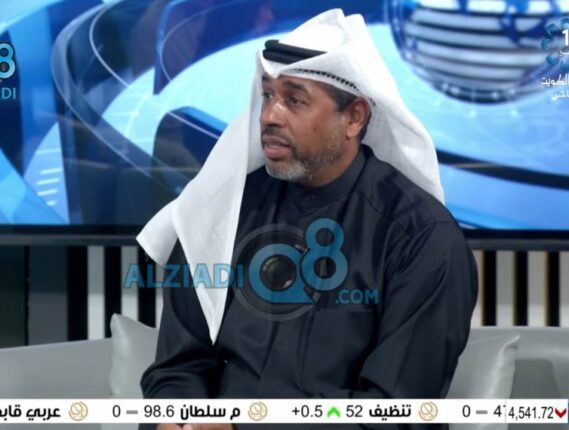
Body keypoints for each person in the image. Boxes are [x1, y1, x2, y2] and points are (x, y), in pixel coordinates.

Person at [137, 9, 478, 430]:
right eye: (268, 95)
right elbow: (178, 366)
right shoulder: (225, 210)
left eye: (295, 100)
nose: (269, 116)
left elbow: (396, 414)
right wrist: (176, 419)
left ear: (354, 117)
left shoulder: (421, 237)